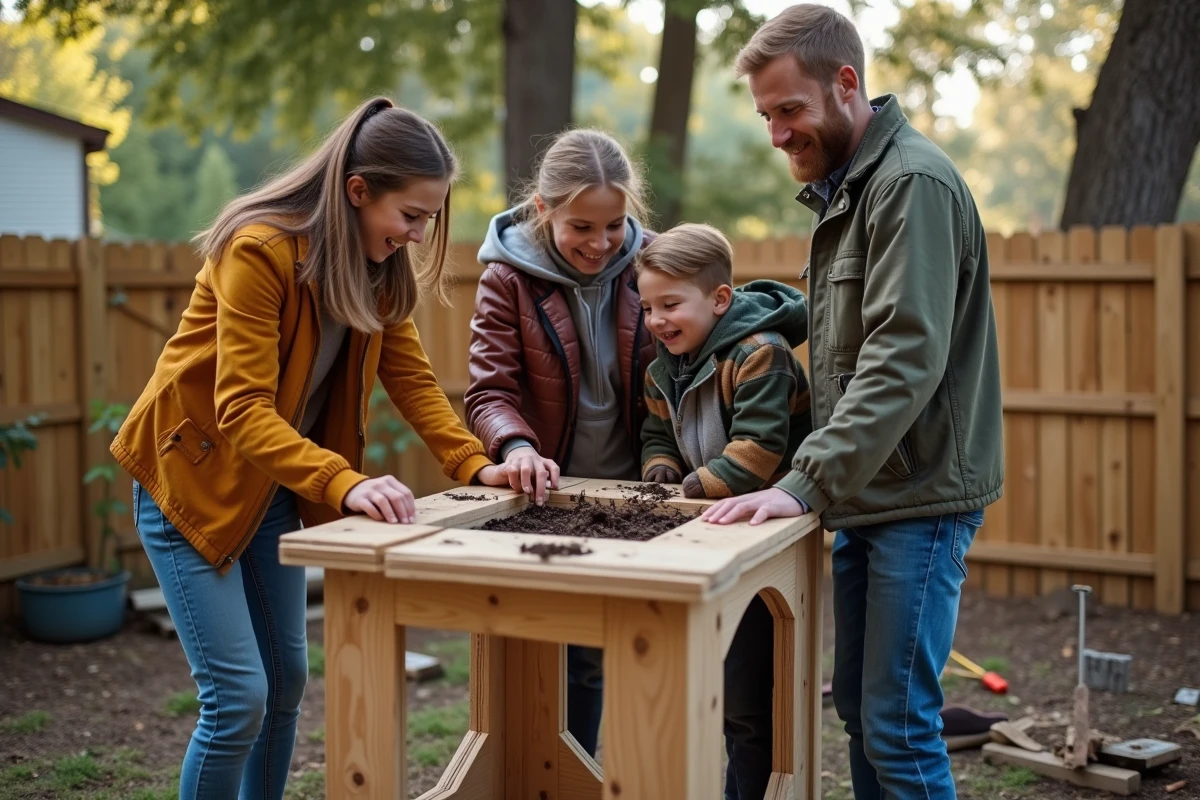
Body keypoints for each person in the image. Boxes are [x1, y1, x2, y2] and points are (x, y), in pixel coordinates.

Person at [109, 96, 509, 799]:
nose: (419, 234)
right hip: (190, 486)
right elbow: (241, 409)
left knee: (286, 684)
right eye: (410, 215)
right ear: (358, 191)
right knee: (237, 700)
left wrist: (478, 464)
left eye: (430, 219)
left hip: (270, 493)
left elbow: (413, 380)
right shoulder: (258, 250)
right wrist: (344, 482)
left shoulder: (378, 268)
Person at [703, 6, 1005, 799]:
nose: (776, 134)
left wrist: (802, 482)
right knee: (866, 726)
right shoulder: (850, 190)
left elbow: (904, 357)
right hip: (868, 492)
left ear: (847, 84)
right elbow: (841, 331)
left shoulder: (908, 183)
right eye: (766, 115)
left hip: (919, 494)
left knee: (899, 729)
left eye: (789, 110)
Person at [464, 127, 656, 757]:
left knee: (640, 650)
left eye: (614, 225)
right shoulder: (507, 279)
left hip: (645, 492)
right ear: (544, 210)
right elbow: (489, 391)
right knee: (561, 655)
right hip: (554, 494)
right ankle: (569, 771)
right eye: (582, 227)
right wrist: (515, 445)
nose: (601, 244)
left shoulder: (655, 264)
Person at [637, 222, 811, 799]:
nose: (657, 320)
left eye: (670, 304)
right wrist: (659, 466)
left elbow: (758, 452)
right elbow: (656, 432)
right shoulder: (663, 368)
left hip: (767, 537)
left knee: (747, 696)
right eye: (647, 307)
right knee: (698, 688)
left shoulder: (762, 354)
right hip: (711, 529)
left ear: (718, 299)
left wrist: (691, 487)